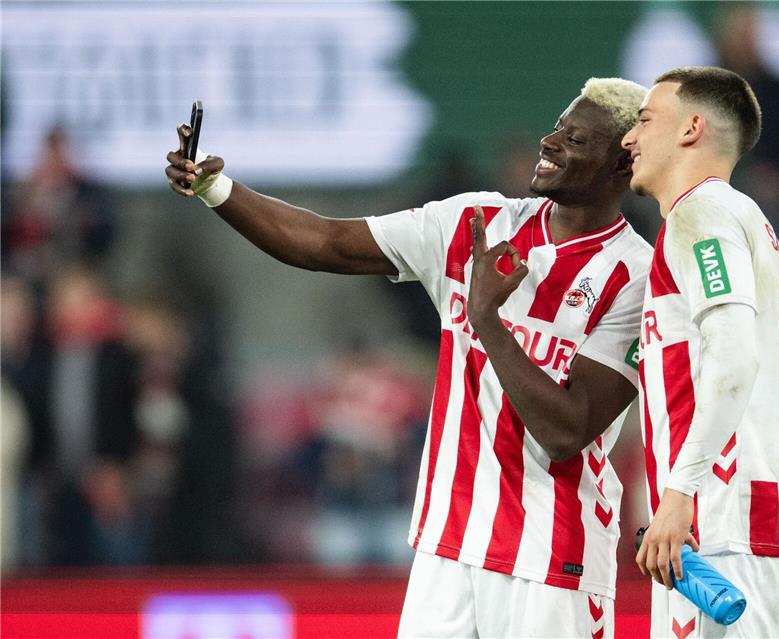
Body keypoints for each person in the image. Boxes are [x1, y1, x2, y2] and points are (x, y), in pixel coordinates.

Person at [165, 78, 652, 637]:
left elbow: (565, 430)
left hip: (552, 557)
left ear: (620, 165)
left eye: (577, 139)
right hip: (446, 547)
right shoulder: (476, 223)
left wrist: (486, 318)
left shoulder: (638, 277)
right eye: (557, 127)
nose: (551, 141)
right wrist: (215, 188)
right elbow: (326, 242)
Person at [621, 66, 779, 638]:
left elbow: (733, 358)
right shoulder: (720, 217)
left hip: (725, 527)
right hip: (723, 531)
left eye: (645, 120)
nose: (630, 138)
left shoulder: (705, 214)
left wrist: (678, 498)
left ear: (691, 128)